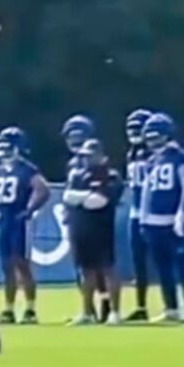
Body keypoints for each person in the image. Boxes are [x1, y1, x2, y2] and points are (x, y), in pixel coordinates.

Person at [140, 113, 184, 322]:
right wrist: (144, 217)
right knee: (162, 267)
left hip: (172, 219)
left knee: (182, 265)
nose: (153, 141)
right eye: (150, 136)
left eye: (157, 136)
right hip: (153, 220)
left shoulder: (180, 157)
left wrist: (182, 213)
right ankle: (170, 307)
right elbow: (147, 191)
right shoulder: (152, 160)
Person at [0, 127, 50, 325]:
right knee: (6, 265)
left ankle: (30, 309)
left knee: (21, 264)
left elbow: (43, 189)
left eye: (8, 148)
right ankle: (8, 309)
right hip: (5, 220)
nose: (3, 152)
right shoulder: (0, 170)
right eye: (1, 148)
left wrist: (28, 210)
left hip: (18, 221)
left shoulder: (27, 169)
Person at [62, 139, 124, 325]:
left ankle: (114, 312)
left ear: (99, 155)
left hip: (101, 228)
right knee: (86, 271)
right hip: (81, 228)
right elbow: (67, 197)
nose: (86, 159)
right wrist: (86, 196)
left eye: (89, 155)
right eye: (84, 156)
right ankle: (87, 312)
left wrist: (82, 198)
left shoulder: (111, 175)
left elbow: (100, 201)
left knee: (107, 269)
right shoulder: (77, 174)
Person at [124, 108, 154, 321]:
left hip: (155, 213)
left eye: (138, 128)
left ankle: (178, 305)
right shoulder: (131, 153)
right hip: (135, 212)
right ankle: (141, 305)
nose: (134, 132)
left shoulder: (155, 153)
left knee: (167, 261)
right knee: (139, 263)